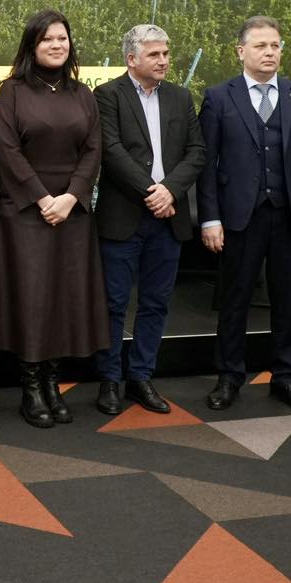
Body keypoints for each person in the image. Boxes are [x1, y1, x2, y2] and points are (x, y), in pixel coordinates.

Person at [0, 8, 107, 428]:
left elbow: (93, 150)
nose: (56, 45)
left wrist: (70, 197)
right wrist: (42, 198)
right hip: (26, 213)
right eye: (47, 39)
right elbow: (7, 151)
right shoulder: (12, 91)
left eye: (62, 38)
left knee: (64, 299)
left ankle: (53, 382)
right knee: (32, 299)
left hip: (72, 212)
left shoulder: (83, 94)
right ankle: (31, 388)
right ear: (32, 46)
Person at [197, 15, 291, 414]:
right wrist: (209, 218)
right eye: (260, 46)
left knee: (287, 300)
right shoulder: (218, 97)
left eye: (275, 46)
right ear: (241, 51)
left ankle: (286, 377)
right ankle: (229, 377)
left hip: (289, 215)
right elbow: (206, 166)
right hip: (239, 215)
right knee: (235, 299)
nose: (270, 52)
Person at [93, 24, 206, 415]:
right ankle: (109, 380)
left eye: (166, 53)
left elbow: (197, 151)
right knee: (113, 303)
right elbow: (111, 151)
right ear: (131, 59)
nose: (163, 61)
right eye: (154, 54)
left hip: (167, 218)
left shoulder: (180, 96)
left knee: (156, 303)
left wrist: (169, 190)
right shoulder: (107, 95)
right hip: (123, 216)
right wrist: (152, 192)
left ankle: (140, 377)